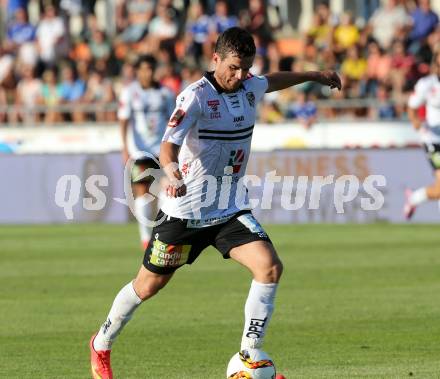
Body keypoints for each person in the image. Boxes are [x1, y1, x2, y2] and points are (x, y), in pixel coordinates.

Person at [90, 27, 341, 379]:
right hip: (185, 213)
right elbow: (168, 143)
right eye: (234, 68)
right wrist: (173, 174)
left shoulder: (250, 85)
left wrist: (315, 75)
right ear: (216, 59)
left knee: (269, 267)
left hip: (228, 209)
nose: (240, 77)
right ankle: (101, 343)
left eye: (246, 69)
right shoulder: (193, 97)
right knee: (148, 285)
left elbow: (273, 80)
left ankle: (249, 355)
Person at [118, 55, 174, 249]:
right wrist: (125, 148)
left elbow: (173, 122)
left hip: (162, 150)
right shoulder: (130, 92)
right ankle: (145, 238)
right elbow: (123, 120)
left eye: (150, 69)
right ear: (138, 71)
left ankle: (161, 235)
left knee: (166, 194)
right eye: (143, 69)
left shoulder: (166, 93)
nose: (147, 73)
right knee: (143, 195)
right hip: (140, 152)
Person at [405, 52, 440, 219]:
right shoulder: (427, 84)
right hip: (433, 140)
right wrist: (416, 122)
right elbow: (412, 107)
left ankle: (413, 197)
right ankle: (413, 198)